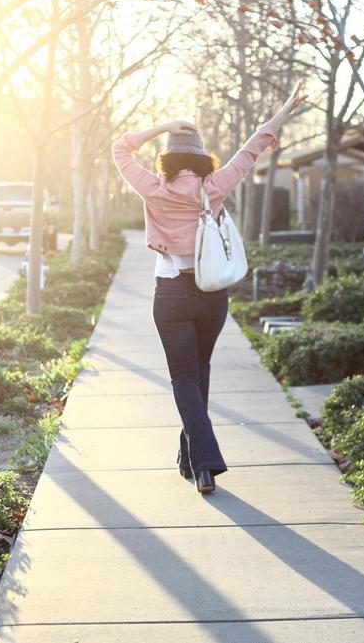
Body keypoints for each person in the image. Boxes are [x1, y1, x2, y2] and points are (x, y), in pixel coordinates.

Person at [111, 81, 308, 494]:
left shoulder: (152, 187)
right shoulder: (214, 186)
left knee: (184, 378)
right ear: (202, 160)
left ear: (168, 160)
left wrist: (163, 125)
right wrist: (284, 109)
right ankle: (192, 456)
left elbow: (119, 148)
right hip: (212, 295)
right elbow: (253, 147)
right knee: (199, 373)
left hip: (170, 293)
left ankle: (204, 461)